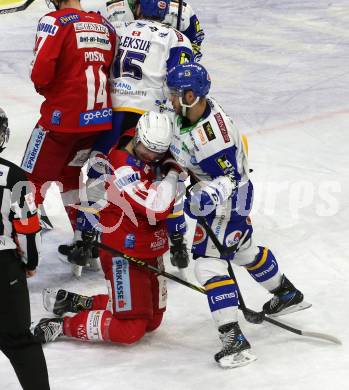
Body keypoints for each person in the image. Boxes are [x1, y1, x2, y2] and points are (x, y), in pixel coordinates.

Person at [165, 63, 307, 368]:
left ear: (192, 94)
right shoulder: (192, 111)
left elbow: (229, 179)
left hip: (228, 200)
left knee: (207, 263)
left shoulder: (215, 137)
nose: (171, 98)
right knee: (243, 250)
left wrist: (206, 195)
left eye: (176, 93)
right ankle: (286, 294)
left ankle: (234, 339)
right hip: (235, 195)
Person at [60, 0, 194, 270]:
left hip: (111, 111)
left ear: (140, 10)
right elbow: (181, 82)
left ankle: (86, 239)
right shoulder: (177, 38)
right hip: (149, 115)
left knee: (100, 169)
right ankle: (177, 239)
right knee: (165, 174)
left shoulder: (119, 28)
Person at [33, 111, 185, 345]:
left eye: (159, 151)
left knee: (152, 320)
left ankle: (78, 303)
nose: (152, 156)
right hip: (123, 254)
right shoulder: (122, 168)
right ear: (138, 138)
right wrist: (173, 172)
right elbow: (157, 207)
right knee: (130, 328)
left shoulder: (142, 139)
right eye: (148, 149)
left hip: (150, 247)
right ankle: (61, 326)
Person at [20, 0, 117, 266]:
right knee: (70, 175)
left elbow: (41, 74)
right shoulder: (104, 25)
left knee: (28, 183)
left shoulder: (54, 21)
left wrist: (54, 96)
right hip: (97, 122)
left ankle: (19, 252)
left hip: (60, 123)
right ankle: (83, 241)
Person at [0, 109, 50, 390]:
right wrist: (30, 263)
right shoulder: (14, 175)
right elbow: (29, 229)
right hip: (3, 268)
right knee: (20, 342)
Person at [107, 0, 205, 61]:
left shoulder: (183, 13)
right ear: (137, 5)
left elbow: (194, 44)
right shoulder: (113, 10)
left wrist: (180, 65)